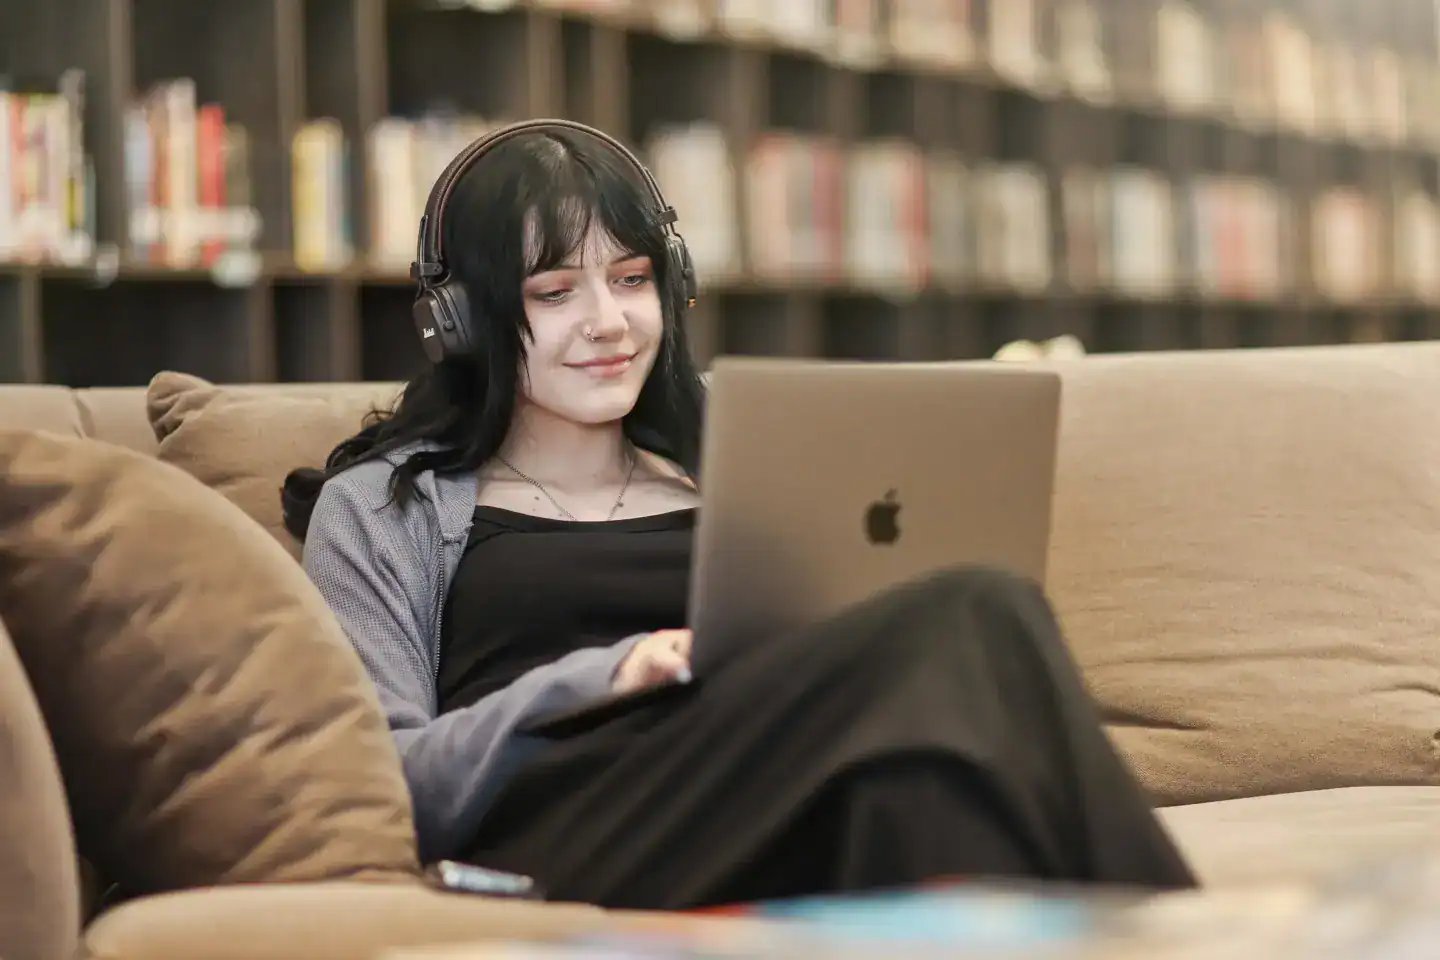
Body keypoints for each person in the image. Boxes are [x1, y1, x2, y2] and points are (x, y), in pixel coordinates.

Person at [282, 119, 1195, 910]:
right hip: (568, 828)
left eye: (632, 279)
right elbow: (382, 780)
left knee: (923, 787)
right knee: (981, 608)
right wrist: (609, 675)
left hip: (775, 782)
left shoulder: (739, 457)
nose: (610, 322)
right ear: (461, 322)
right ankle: (1188, 936)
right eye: (555, 294)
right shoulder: (384, 506)